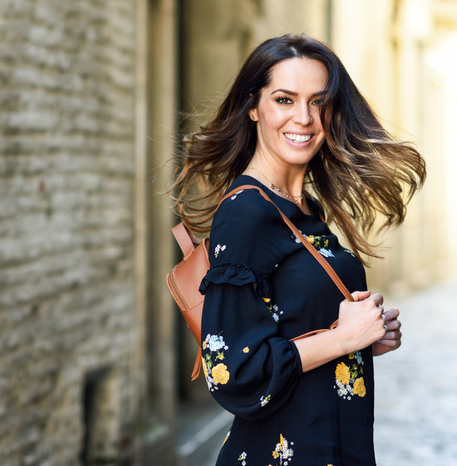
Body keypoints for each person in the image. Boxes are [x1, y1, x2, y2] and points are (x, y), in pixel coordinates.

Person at [172, 34, 426, 465]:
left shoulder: (299, 208)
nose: (304, 118)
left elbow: (290, 328)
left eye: (318, 101)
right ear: (254, 107)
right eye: (285, 100)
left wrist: (363, 338)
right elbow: (231, 372)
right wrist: (343, 337)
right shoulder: (246, 212)